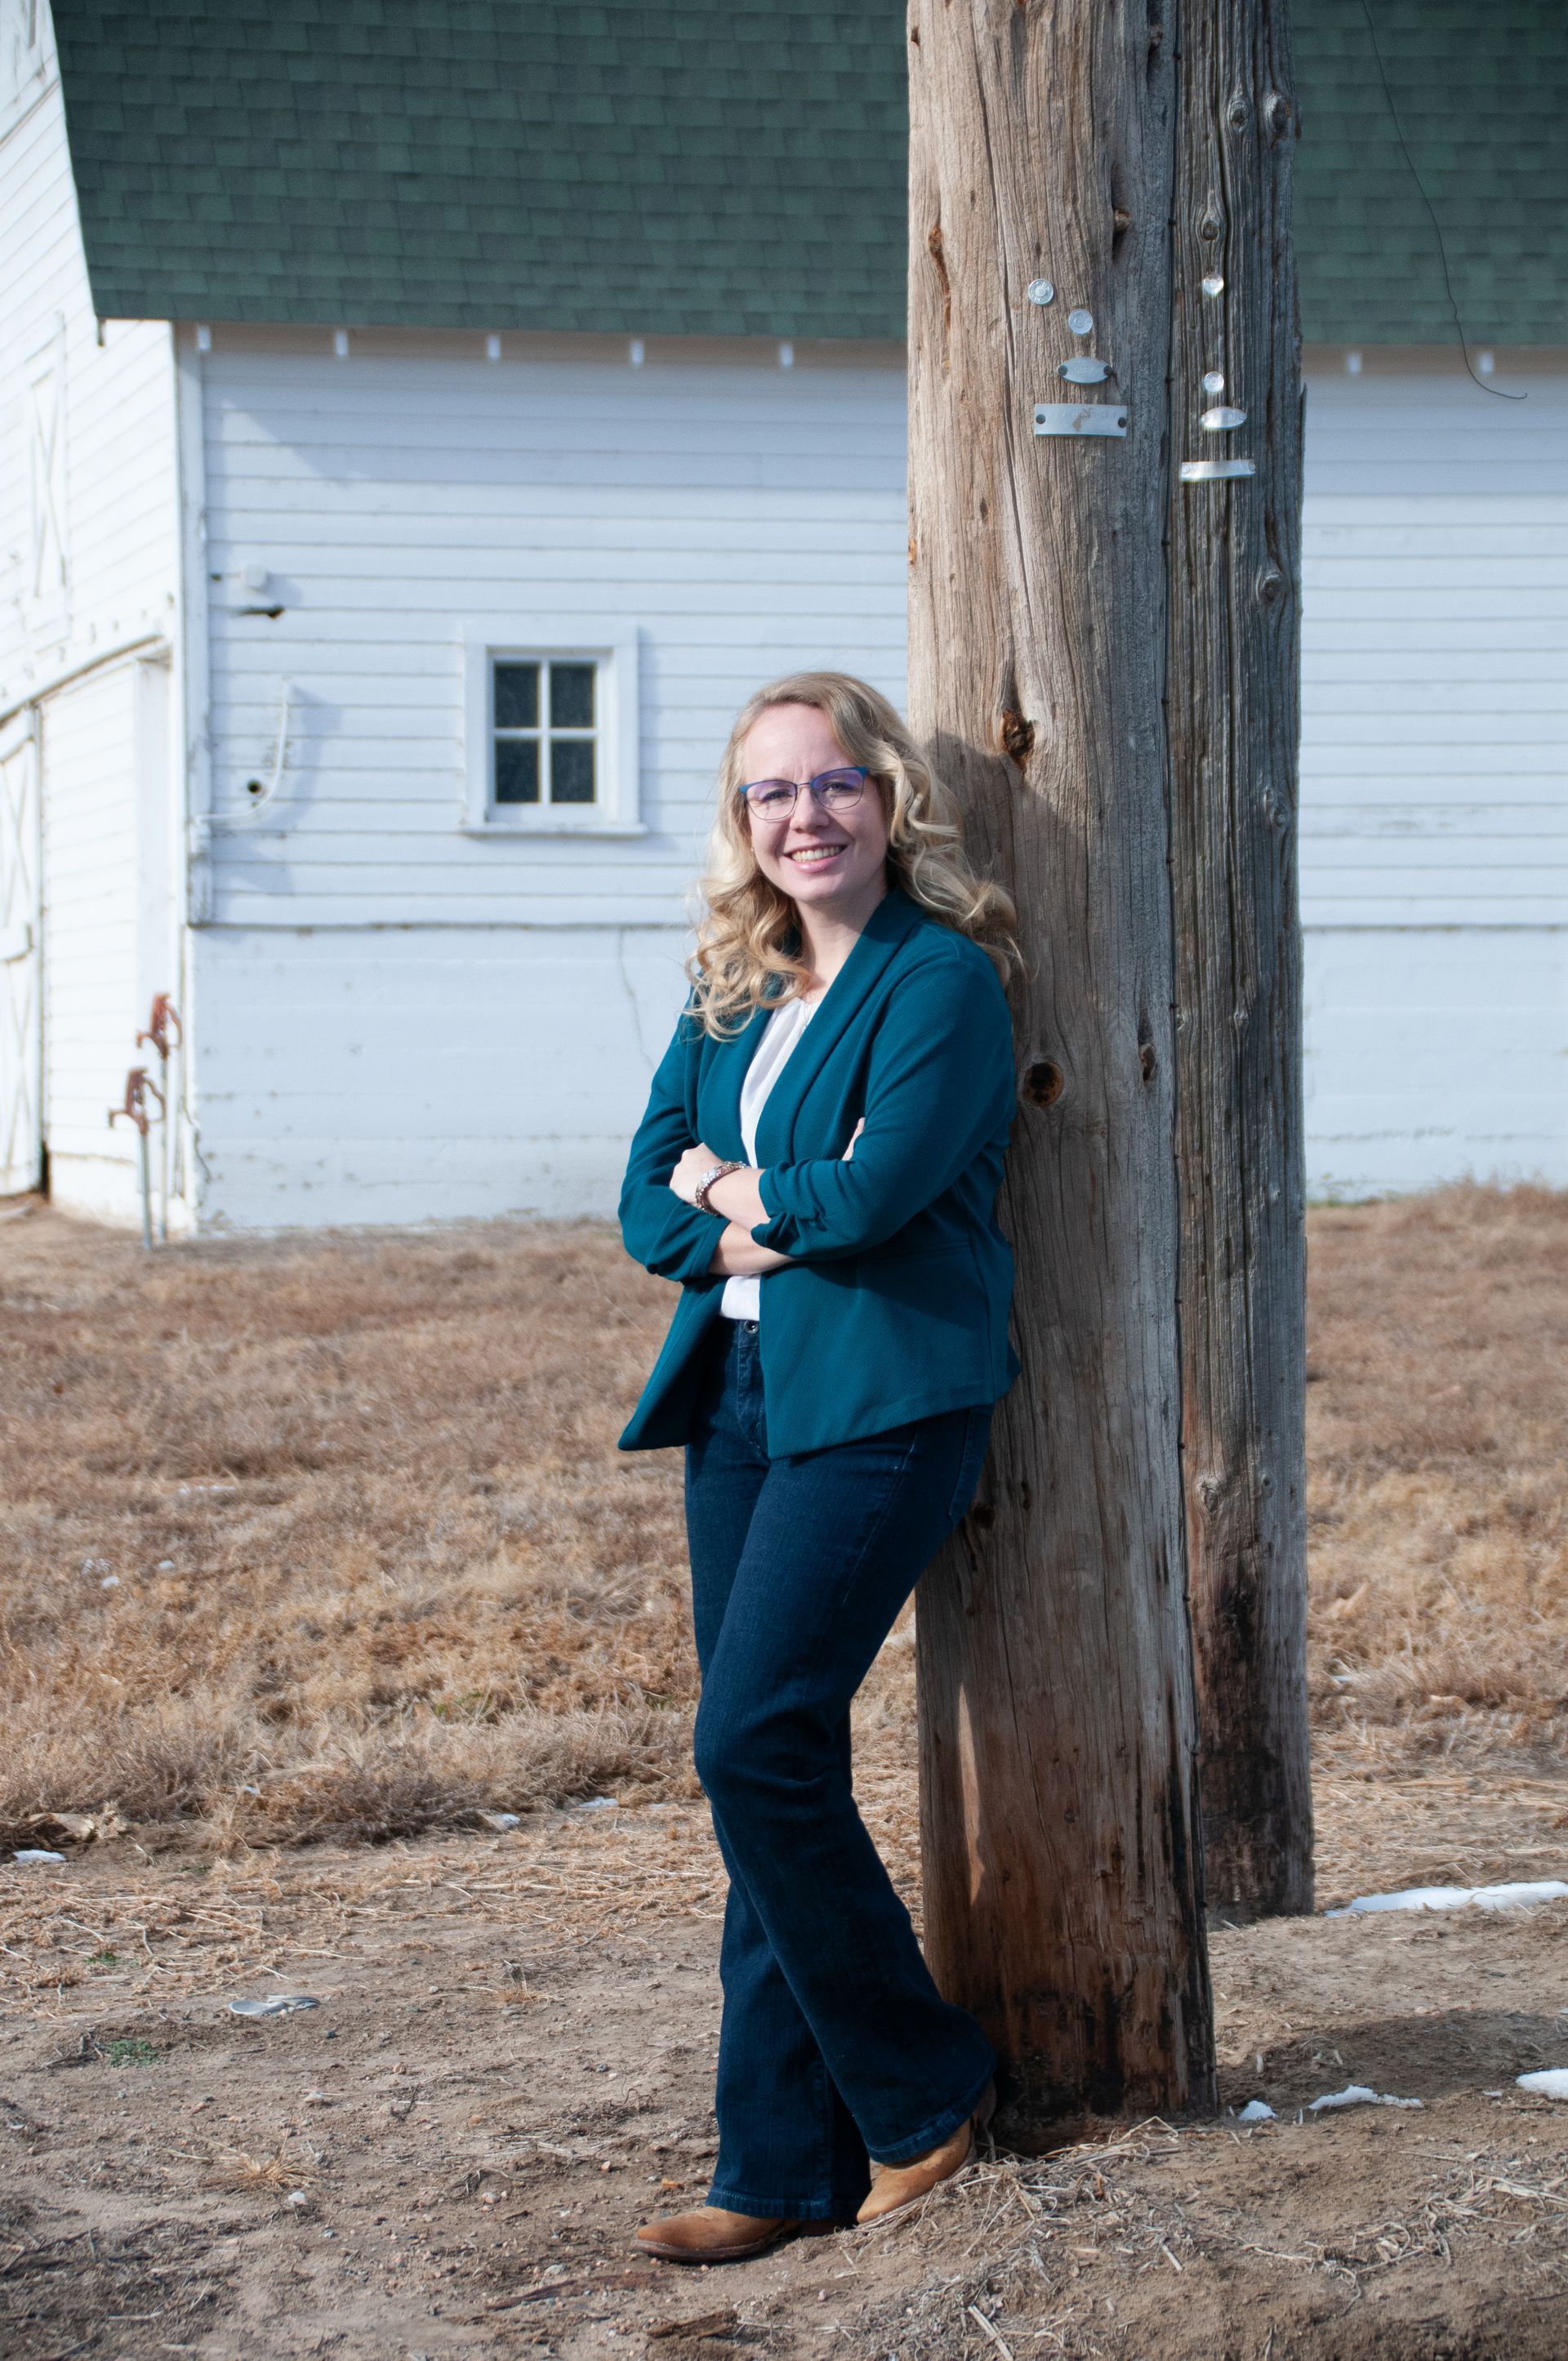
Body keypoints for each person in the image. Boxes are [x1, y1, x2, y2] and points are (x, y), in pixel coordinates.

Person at [617, 670, 1021, 2262]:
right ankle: (775, 2162)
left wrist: (737, 1187)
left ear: (890, 796)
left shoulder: (943, 986)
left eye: (833, 783)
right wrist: (744, 1192)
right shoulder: (734, 982)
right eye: (771, 794)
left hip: (885, 1400)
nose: (805, 817)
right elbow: (646, 1195)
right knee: (765, 1769)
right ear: (743, 824)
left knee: (752, 1744)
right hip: (740, 1393)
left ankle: (923, 2100)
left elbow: (880, 1198)